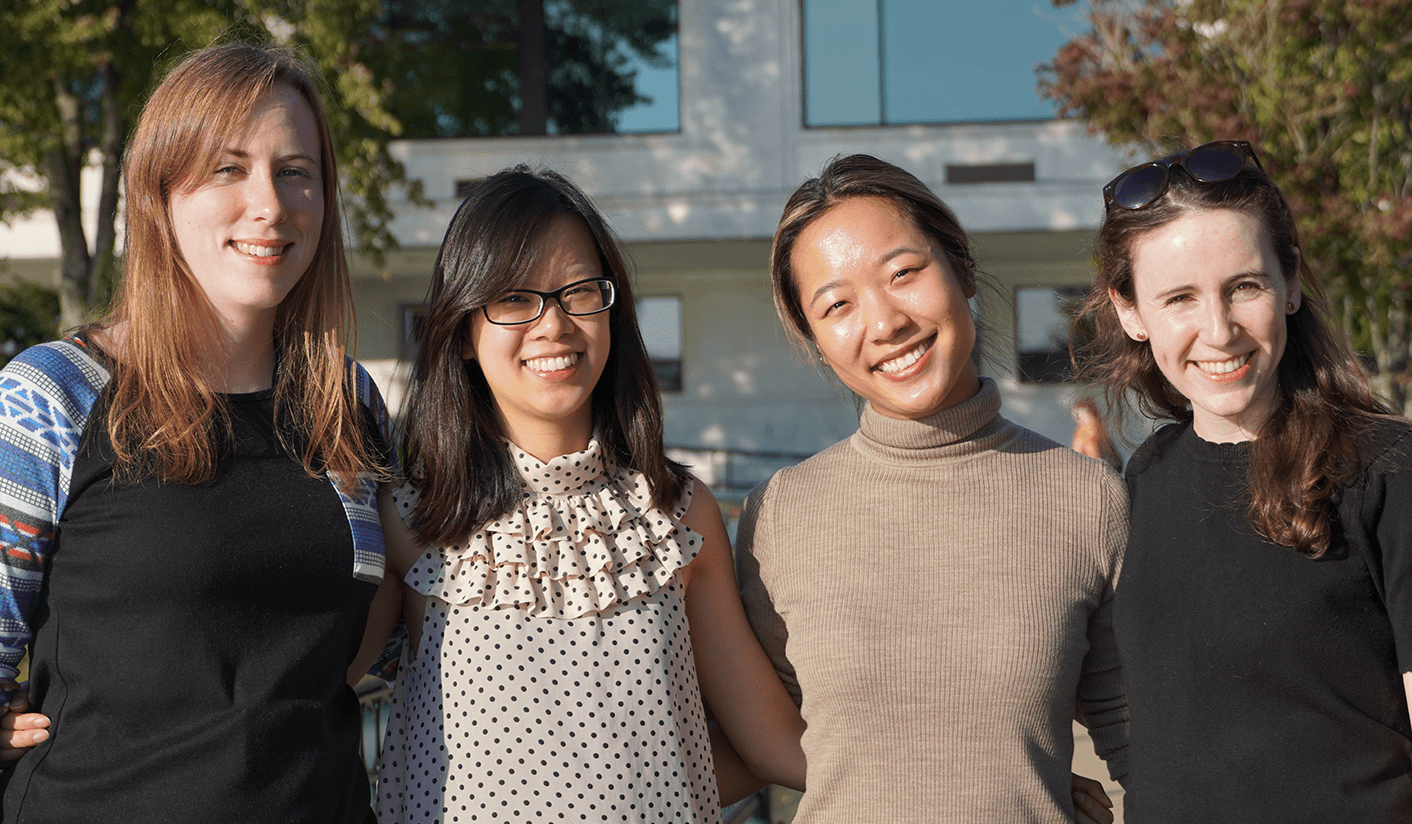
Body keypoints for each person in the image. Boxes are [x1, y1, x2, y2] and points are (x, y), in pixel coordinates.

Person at [0, 43, 396, 822]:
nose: (271, 205)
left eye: (296, 172)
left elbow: (375, 650)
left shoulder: (346, 403)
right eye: (228, 168)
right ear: (159, 194)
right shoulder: (52, 395)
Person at [371, 167, 805, 823]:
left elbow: (771, 745)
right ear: (462, 329)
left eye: (579, 291)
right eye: (514, 297)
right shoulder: (409, 518)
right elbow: (307, 697)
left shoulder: (680, 514)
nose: (554, 324)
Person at [733, 153, 1127, 824]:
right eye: (837, 306)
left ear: (962, 270)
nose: (884, 322)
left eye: (904, 274)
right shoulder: (780, 512)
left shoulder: (1089, 498)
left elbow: (1141, 738)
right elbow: (765, 738)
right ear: (815, 342)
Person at [1080, 139, 1412, 821]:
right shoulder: (1145, 478)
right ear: (1130, 311)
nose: (1218, 331)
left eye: (1244, 286)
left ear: (1292, 283)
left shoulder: (1393, 470)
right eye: (1179, 297)